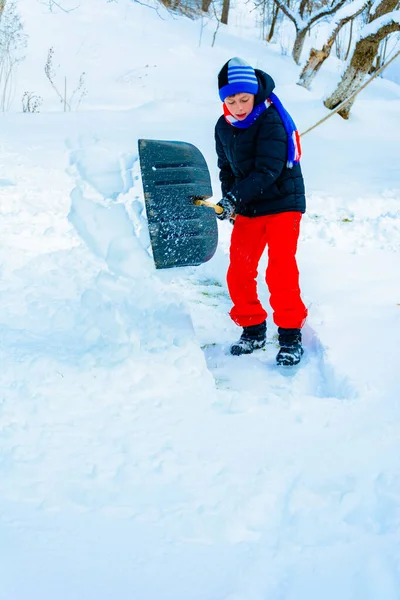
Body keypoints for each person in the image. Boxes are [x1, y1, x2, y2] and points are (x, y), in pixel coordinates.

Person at [214, 57, 308, 366]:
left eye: (244, 99)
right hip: (250, 205)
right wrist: (230, 200)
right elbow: (226, 168)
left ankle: (290, 335)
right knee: (239, 270)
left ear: (255, 94)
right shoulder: (223, 127)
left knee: (280, 270)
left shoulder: (271, 119)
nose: (238, 106)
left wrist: (234, 198)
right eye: (231, 100)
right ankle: (253, 328)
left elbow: (268, 170)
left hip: (282, 202)